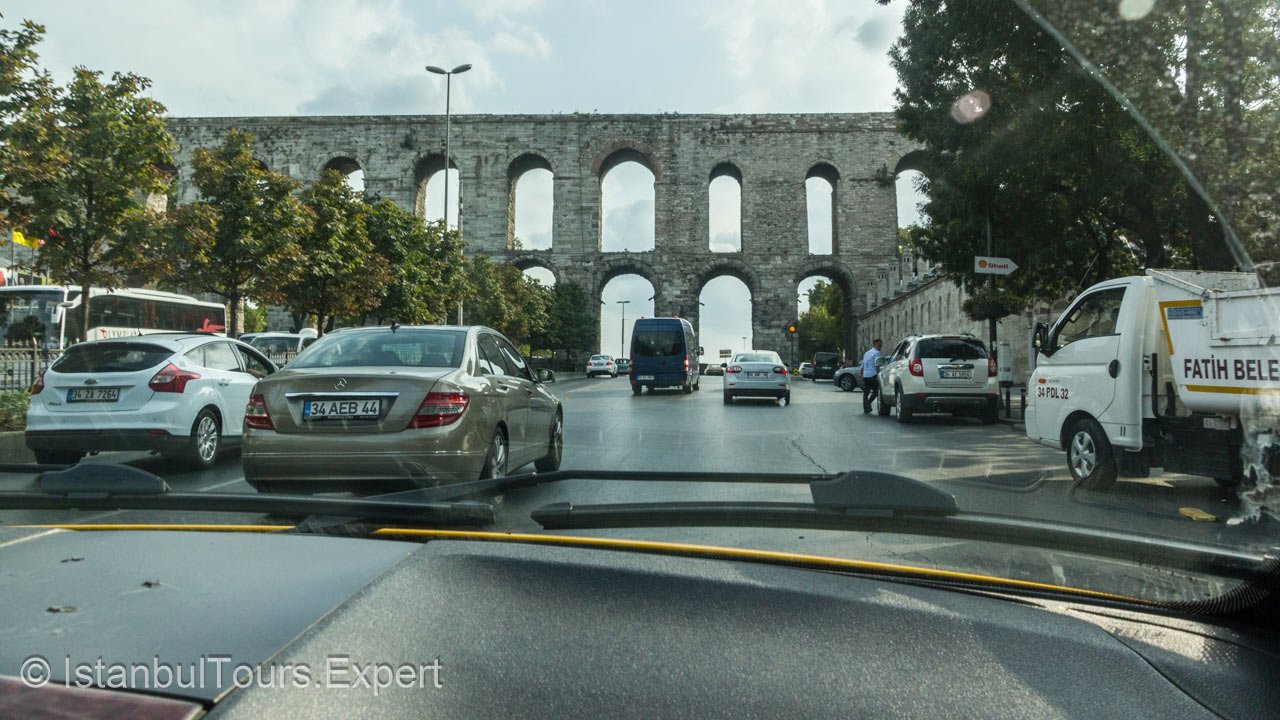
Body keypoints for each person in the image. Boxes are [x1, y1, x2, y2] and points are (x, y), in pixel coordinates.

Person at [860, 338, 883, 414]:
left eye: (881, 345)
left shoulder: (866, 353)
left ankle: (865, 408)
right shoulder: (877, 353)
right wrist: (878, 374)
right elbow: (877, 365)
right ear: (875, 344)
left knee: (866, 392)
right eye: (879, 345)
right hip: (873, 375)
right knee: (876, 392)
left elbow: (862, 365)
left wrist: (862, 374)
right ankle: (868, 402)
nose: (880, 347)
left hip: (866, 375)